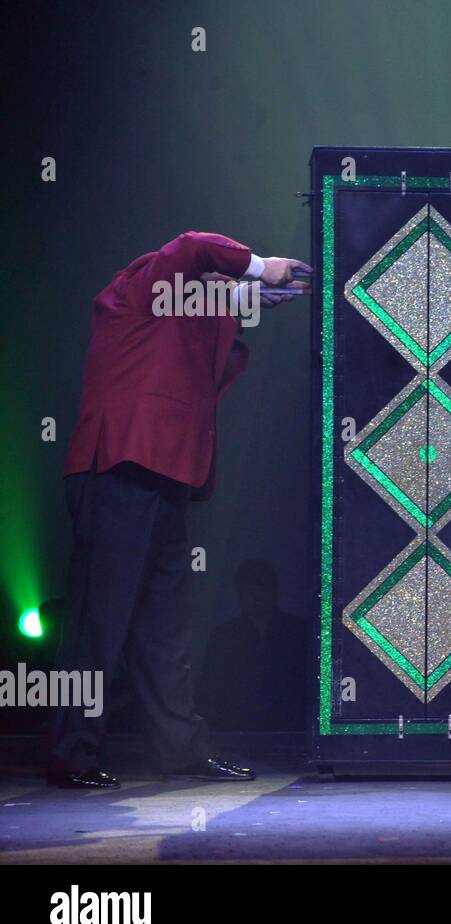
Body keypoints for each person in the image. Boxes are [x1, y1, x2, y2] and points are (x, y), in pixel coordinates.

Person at [48, 231, 309, 789]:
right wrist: (261, 268)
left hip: (166, 475)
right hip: (118, 465)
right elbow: (193, 245)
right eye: (218, 278)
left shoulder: (190, 317)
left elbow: (210, 368)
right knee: (101, 622)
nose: (223, 283)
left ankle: (179, 748)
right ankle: (73, 752)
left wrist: (240, 302)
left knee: (165, 626)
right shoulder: (142, 284)